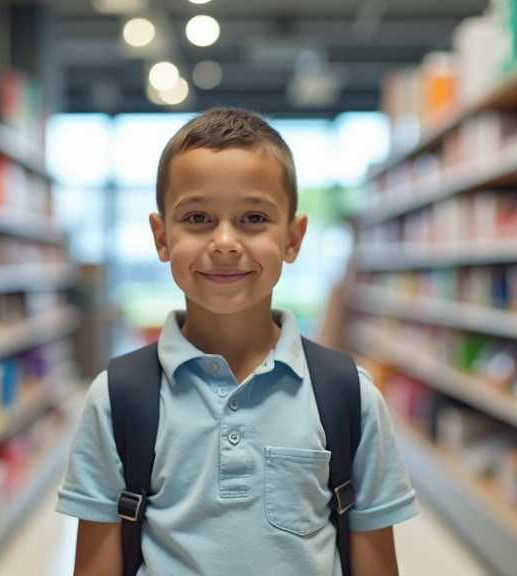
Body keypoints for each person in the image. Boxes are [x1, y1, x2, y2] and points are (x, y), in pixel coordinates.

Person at [56, 107, 418, 575]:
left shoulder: (348, 396)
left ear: (292, 238)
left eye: (252, 217)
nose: (225, 242)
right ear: (162, 237)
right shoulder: (118, 398)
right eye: (199, 217)